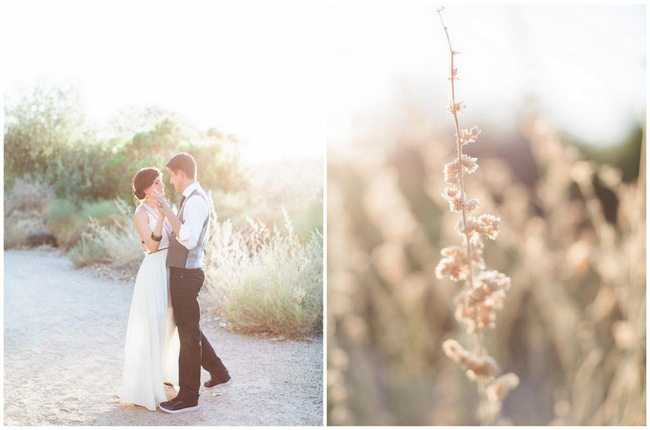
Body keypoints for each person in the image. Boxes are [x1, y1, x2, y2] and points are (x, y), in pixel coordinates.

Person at [154, 152, 231, 414]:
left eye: (171, 176)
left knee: (188, 335)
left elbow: (188, 239)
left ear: (181, 174)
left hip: (187, 275)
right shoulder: (189, 198)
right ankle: (219, 372)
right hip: (183, 273)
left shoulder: (196, 201)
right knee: (190, 328)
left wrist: (166, 211)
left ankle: (188, 397)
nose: (170, 181)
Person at [118, 167, 180, 411]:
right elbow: (152, 247)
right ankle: (145, 384)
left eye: (162, 182)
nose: (162, 187)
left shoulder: (166, 205)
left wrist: (169, 214)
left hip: (170, 270)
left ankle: (166, 374)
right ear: (145, 189)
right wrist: (163, 217)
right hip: (154, 270)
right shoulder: (141, 213)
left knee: (169, 325)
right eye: (157, 183)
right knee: (152, 325)